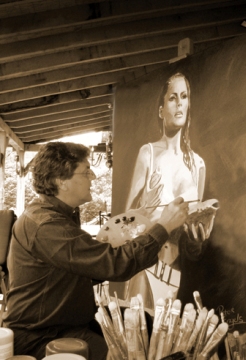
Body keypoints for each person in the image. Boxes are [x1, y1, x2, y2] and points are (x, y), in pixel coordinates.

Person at [2, 141, 189, 360]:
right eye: (86, 171)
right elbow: (115, 264)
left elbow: (85, 265)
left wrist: (125, 233)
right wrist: (164, 227)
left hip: (66, 322)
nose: (93, 176)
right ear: (61, 181)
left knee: (143, 324)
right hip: (41, 335)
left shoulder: (58, 215)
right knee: (126, 354)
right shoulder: (46, 225)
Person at [120, 72, 215, 309]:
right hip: (144, 264)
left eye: (184, 96)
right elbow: (124, 223)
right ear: (161, 110)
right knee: (136, 335)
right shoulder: (148, 154)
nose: (180, 102)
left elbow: (193, 243)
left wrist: (198, 239)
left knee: (164, 342)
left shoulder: (198, 164)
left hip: (176, 272)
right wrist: (144, 209)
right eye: (172, 98)